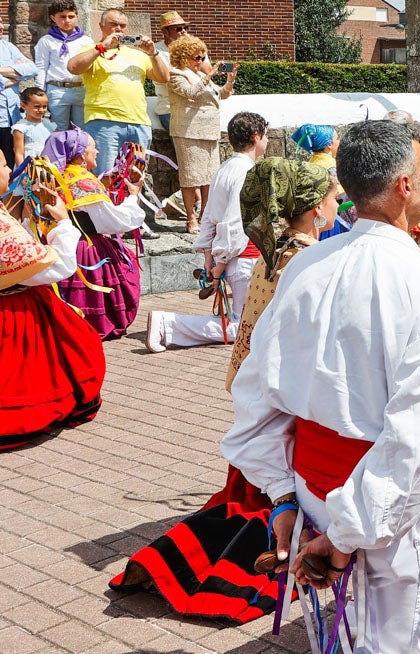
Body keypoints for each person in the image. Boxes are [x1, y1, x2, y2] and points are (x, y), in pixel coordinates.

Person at [222, 120, 420, 653]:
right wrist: (342, 534)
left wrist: (286, 497)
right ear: (405, 185)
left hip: (316, 484)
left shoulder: (307, 263)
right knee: (389, 644)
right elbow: (408, 431)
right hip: (368, 495)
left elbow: (256, 393)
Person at [110, 158, 336, 622]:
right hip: (287, 401)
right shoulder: (308, 260)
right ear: (314, 209)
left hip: (261, 396)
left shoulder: (274, 254)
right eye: (333, 197)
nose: (339, 204)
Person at [0, 154, 104, 450]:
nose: (10, 169)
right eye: (4, 165)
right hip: (11, 311)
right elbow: (56, 268)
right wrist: (64, 224)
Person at [145, 112, 269, 352]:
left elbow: (210, 217)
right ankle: (168, 325)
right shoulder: (246, 172)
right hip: (243, 257)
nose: (266, 141)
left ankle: (169, 325)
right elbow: (236, 222)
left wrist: (211, 259)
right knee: (242, 327)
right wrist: (218, 263)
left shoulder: (225, 168)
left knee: (243, 323)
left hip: (235, 257)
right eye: (264, 136)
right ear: (256, 137)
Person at [44, 129, 146, 339]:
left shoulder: (55, 177)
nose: (97, 151)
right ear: (82, 154)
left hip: (60, 245)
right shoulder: (85, 184)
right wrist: (133, 197)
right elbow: (116, 221)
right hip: (88, 251)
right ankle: (89, 326)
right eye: (92, 147)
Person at [65, 9, 170, 174]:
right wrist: (102, 47)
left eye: (122, 26)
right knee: (104, 174)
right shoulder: (91, 49)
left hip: (138, 122)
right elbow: (73, 67)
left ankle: (131, 201)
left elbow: (164, 77)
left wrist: (153, 52)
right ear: (101, 26)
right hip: (104, 122)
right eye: (113, 25)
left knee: (135, 177)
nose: (118, 29)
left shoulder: (138, 54)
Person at [166, 34, 237, 233]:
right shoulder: (175, 73)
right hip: (188, 132)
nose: (201, 61)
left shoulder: (199, 75)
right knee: (190, 178)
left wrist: (230, 81)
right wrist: (210, 74)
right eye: (197, 57)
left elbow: (220, 94)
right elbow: (190, 93)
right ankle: (190, 218)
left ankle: (205, 215)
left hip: (209, 131)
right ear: (183, 56)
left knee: (209, 178)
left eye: (202, 57)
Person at [33, 0, 92, 131]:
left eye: (71, 16)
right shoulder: (46, 41)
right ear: (53, 18)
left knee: (81, 131)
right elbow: (41, 68)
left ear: (76, 16)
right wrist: (40, 94)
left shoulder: (86, 41)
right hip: (57, 89)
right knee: (59, 130)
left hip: (81, 89)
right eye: (62, 17)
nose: (67, 20)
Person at [1, 32, 40, 168]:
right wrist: (17, 75)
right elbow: (5, 82)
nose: (1, 27)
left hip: (11, 117)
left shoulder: (8, 47)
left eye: (1, 22)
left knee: (10, 164)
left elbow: (32, 69)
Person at [12, 88, 55, 164]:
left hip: (48, 164)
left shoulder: (49, 124)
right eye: (37, 106)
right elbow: (19, 153)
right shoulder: (20, 128)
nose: (41, 110)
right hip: (30, 166)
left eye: (44, 106)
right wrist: (22, 173)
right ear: (23, 105)